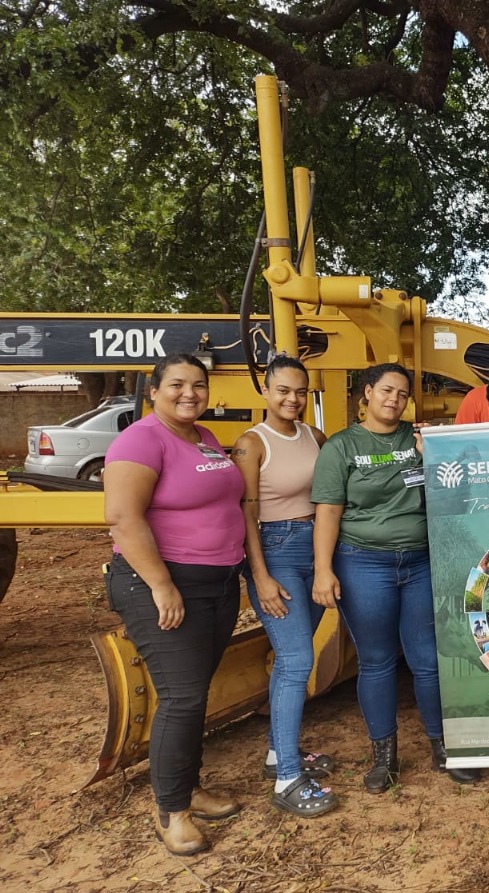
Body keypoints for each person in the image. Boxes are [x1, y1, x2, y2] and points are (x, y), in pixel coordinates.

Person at [311, 363, 482, 792]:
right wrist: (323, 569)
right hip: (364, 563)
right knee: (377, 661)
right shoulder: (341, 446)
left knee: (426, 660)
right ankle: (383, 757)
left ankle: (444, 747)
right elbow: (328, 512)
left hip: (421, 563)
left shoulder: (420, 439)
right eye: (386, 391)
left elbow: (456, 490)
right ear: (367, 393)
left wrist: (434, 457)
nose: (394, 400)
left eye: (403, 394)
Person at [103, 354, 246, 855]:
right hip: (160, 586)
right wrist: (163, 586)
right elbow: (122, 516)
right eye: (177, 385)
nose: (190, 393)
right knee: (182, 697)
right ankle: (171, 811)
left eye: (199, 385)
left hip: (217, 584)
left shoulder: (203, 438)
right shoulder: (141, 439)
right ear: (153, 391)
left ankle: (190, 788)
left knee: (195, 694)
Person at [231, 355, 337, 818]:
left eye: (300, 392)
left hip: (314, 550)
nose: (291, 399)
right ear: (265, 392)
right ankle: (288, 778)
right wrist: (260, 576)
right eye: (282, 391)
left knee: (292, 658)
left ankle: (279, 751)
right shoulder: (252, 443)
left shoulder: (315, 436)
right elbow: (245, 514)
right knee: (297, 660)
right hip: (274, 552)